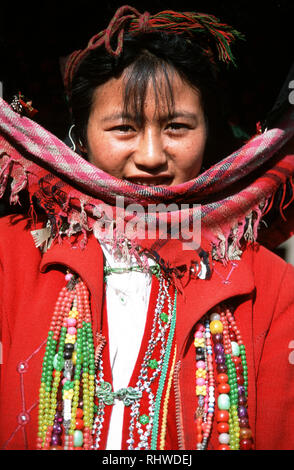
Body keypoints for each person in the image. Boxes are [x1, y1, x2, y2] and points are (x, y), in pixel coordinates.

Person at [1, 5, 294, 451]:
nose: (152, 156)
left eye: (177, 126)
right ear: (79, 137)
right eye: (124, 128)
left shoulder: (270, 285)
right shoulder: (12, 255)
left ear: (209, 132)